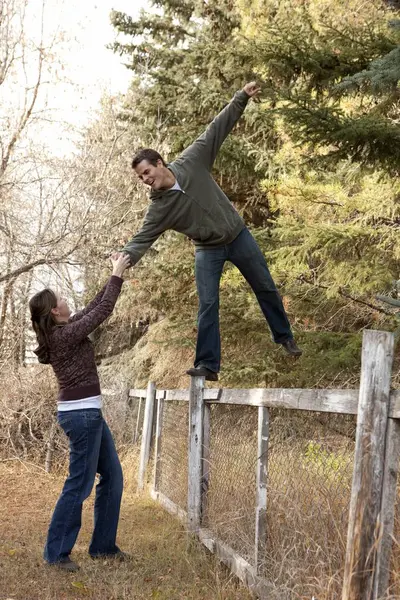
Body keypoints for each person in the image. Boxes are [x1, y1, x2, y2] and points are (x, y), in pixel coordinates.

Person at [121, 82, 302, 382]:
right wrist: (125, 257)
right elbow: (142, 238)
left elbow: (218, 127)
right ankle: (208, 364)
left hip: (238, 234)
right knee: (207, 303)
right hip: (208, 249)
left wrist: (241, 97)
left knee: (266, 287)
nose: (144, 180)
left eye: (146, 173)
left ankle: (284, 337)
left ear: (159, 163)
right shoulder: (159, 208)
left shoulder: (192, 161)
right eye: (140, 177)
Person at [29, 253, 131, 572]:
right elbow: (102, 312)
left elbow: (93, 307)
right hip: (82, 415)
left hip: (89, 413)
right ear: (55, 310)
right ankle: (56, 553)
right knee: (79, 484)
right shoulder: (62, 336)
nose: (66, 297)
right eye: (61, 297)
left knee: (112, 476)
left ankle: (103, 547)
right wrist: (115, 274)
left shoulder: (66, 328)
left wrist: (117, 273)